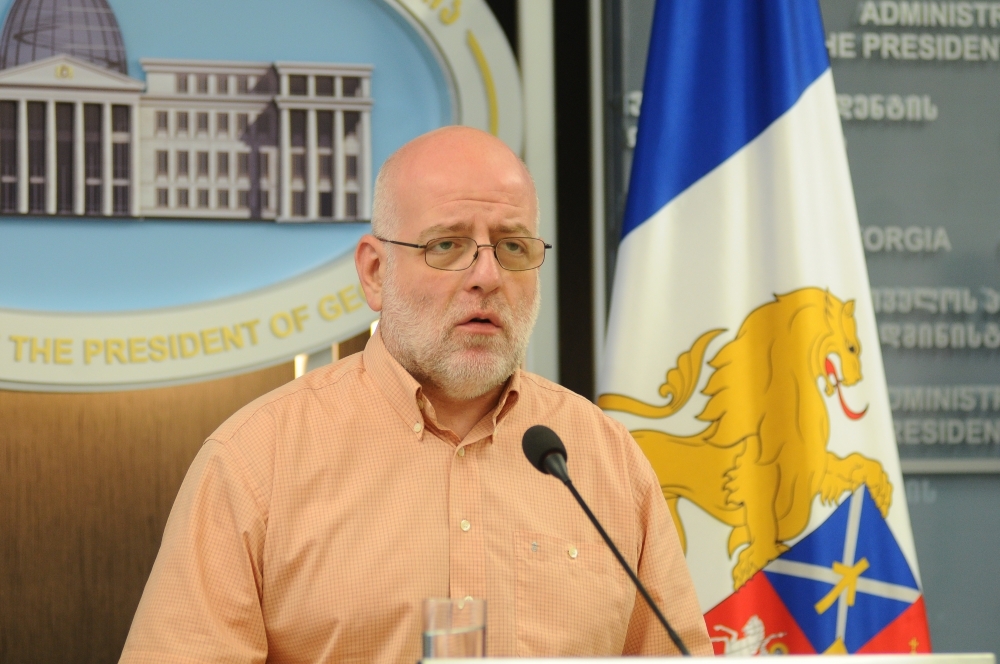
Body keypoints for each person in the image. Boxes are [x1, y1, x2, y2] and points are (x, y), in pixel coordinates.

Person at [119, 126, 712, 662]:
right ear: (375, 273)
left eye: (513, 247)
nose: (487, 276)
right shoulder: (256, 461)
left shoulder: (603, 458)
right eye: (446, 245)